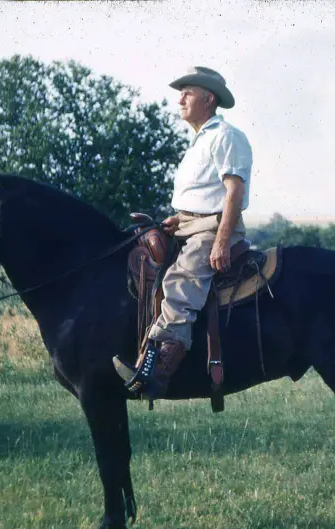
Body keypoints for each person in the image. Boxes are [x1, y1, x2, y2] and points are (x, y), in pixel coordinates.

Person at [114, 66, 253, 399]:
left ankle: (158, 370)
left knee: (180, 281)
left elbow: (232, 192)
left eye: (187, 93)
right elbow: (203, 194)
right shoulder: (200, 140)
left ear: (208, 98)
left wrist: (221, 241)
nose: (180, 99)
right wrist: (179, 219)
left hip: (214, 230)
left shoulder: (226, 136)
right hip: (190, 225)